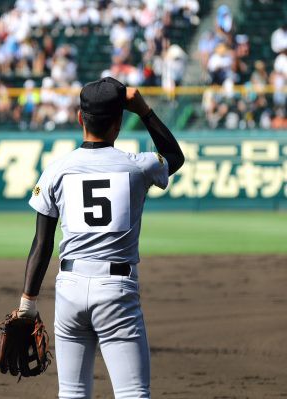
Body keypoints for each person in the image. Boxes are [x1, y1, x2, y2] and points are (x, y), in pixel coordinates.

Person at [15, 77, 184, 398]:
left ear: (80, 118)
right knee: (133, 392)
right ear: (119, 123)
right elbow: (174, 157)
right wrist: (145, 111)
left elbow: (41, 243)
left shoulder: (56, 170)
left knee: (73, 393)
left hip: (69, 290)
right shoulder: (138, 167)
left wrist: (27, 305)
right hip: (117, 291)